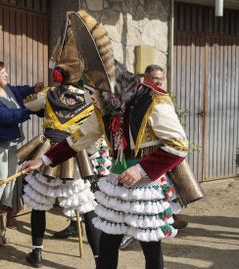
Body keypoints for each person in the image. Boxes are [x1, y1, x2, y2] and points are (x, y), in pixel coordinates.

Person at [21, 59, 190, 269]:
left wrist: (140, 169)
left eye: (94, 91)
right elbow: (79, 137)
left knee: (150, 244)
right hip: (115, 181)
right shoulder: (105, 106)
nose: (90, 97)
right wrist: (44, 159)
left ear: (111, 87)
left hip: (146, 184)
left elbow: (179, 145)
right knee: (108, 240)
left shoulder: (153, 100)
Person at [19, 69, 109, 267]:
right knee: (87, 207)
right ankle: (99, 259)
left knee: (39, 203)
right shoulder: (89, 98)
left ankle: (37, 253)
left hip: (47, 152)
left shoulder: (49, 93)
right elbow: (94, 138)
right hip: (77, 153)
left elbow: (28, 103)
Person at [119, 64, 187, 250]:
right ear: (145, 77)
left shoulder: (159, 98)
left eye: (160, 79)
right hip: (139, 159)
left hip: (158, 157)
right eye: (155, 78)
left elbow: (177, 142)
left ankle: (166, 220)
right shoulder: (137, 96)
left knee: (158, 201)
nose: (158, 81)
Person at [0, 58, 42, 228]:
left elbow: (21, 91)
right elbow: (8, 117)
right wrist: (31, 109)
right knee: (1, 178)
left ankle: (7, 211)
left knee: (12, 176)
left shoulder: (8, 89)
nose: (6, 74)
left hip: (11, 142)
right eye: (2, 72)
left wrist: (33, 89)